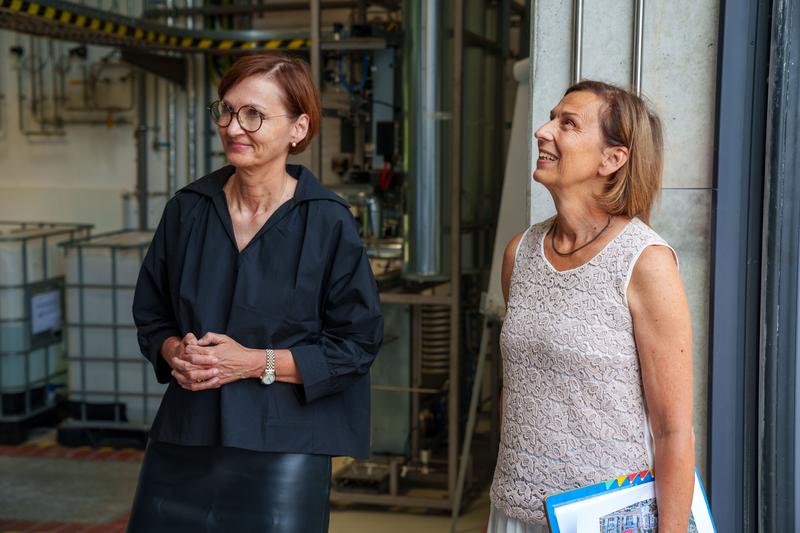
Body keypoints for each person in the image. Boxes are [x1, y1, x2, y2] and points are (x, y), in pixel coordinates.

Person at [128, 53, 383, 533]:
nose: (233, 127)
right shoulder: (188, 210)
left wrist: (252, 362)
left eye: (253, 115)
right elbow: (152, 310)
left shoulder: (327, 221)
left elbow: (356, 344)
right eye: (225, 110)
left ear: (298, 128)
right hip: (188, 437)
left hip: (285, 445)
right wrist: (172, 350)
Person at [488, 80, 694, 532]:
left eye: (568, 124)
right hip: (513, 509)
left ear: (612, 158)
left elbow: (673, 431)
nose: (543, 131)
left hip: (603, 518)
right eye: (550, 118)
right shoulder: (519, 253)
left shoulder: (647, 263)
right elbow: (517, 387)